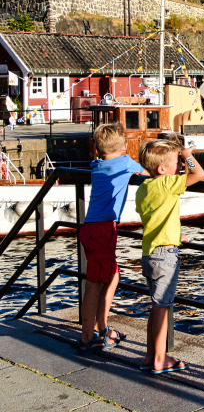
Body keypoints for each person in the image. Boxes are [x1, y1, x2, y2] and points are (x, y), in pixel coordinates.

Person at [135, 138, 204, 374]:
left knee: (156, 307)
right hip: (165, 256)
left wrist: (175, 234)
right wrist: (187, 154)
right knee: (163, 308)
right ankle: (159, 359)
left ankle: (150, 356)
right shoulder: (167, 183)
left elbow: (157, 216)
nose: (181, 166)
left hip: (150, 252)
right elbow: (199, 174)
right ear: (162, 169)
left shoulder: (144, 187)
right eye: (177, 162)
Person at [77, 122, 146, 353]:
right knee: (94, 284)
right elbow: (148, 173)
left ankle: (101, 327)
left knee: (111, 275)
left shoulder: (96, 165)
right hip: (104, 229)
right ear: (125, 146)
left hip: (90, 228)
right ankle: (88, 336)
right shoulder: (125, 162)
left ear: (97, 149)